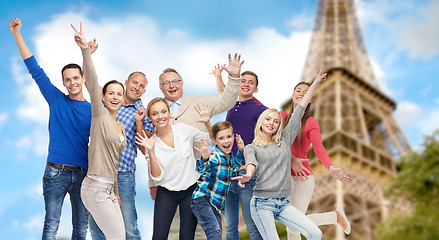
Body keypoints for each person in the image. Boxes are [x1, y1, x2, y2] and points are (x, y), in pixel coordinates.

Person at [9, 18, 91, 240]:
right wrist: (17, 34)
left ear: (83, 78)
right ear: (63, 83)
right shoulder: (56, 100)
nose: (72, 82)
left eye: (76, 77)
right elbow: (34, 68)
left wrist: (87, 54)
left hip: (83, 175)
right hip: (56, 172)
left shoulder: (94, 110)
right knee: (51, 226)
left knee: (81, 229)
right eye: (67, 80)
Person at [151, 54, 244, 239]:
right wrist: (152, 182)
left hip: (198, 181)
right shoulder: (156, 112)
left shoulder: (201, 102)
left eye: (175, 81)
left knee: (197, 232)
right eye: (166, 83)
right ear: (161, 87)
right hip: (168, 183)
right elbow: (152, 149)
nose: (171, 86)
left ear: (182, 83)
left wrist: (233, 78)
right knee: (166, 232)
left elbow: (227, 101)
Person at [233, 70, 327, 240]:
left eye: (276, 121)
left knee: (315, 233)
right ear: (261, 122)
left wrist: (316, 83)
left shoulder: (285, 140)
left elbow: (300, 109)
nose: (272, 123)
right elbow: (252, 163)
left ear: (280, 126)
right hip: (262, 204)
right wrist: (248, 173)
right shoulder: (251, 148)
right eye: (268, 119)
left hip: (283, 204)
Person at [85, 41, 153, 240]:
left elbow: (144, 148)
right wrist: (87, 55)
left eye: (142, 86)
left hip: (123, 174)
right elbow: (88, 81)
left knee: (128, 226)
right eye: (135, 83)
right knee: (97, 227)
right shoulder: (108, 100)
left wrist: (139, 122)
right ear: (126, 82)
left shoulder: (144, 113)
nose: (137, 87)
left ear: (144, 91)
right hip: (99, 173)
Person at [72, 23, 127, 239]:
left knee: (119, 236)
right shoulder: (99, 114)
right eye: (110, 93)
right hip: (94, 187)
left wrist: (116, 190)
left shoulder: (120, 126)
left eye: (119, 94)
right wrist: (86, 52)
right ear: (103, 97)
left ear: (123, 99)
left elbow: (114, 161)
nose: (115, 97)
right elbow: (92, 81)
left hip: (109, 190)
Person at [135, 98, 214, 239]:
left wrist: (207, 122)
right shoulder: (150, 142)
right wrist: (151, 151)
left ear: (169, 113)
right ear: (150, 117)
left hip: (191, 190)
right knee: (158, 236)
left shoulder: (184, 129)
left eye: (163, 112)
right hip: (166, 193)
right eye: (155, 114)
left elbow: (212, 140)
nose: (160, 116)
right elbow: (157, 177)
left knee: (187, 237)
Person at [284, 82, 352, 239]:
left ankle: (334, 217)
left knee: (293, 224)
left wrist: (331, 167)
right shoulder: (280, 118)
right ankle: (334, 217)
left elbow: (319, 147)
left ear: (310, 98)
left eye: (306, 92)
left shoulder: (310, 122)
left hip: (302, 177)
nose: (301, 93)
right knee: (291, 225)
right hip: (284, 177)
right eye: (298, 90)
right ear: (293, 94)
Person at [211, 67, 264, 239]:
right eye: (243, 80)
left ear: (256, 89)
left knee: (252, 226)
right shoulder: (231, 103)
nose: (246, 84)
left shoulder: (260, 109)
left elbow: (273, 130)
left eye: (251, 82)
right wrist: (218, 76)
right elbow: (223, 92)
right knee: (231, 227)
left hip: (245, 173)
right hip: (226, 172)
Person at [191, 121, 245, 240]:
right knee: (214, 230)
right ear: (215, 141)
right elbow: (200, 168)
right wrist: (204, 158)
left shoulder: (230, 157)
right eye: (221, 138)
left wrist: (240, 151)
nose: (226, 141)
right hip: (202, 200)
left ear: (233, 137)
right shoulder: (215, 156)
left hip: (215, 205)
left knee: (218, 233)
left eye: (229, 137)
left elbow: (235, 167)